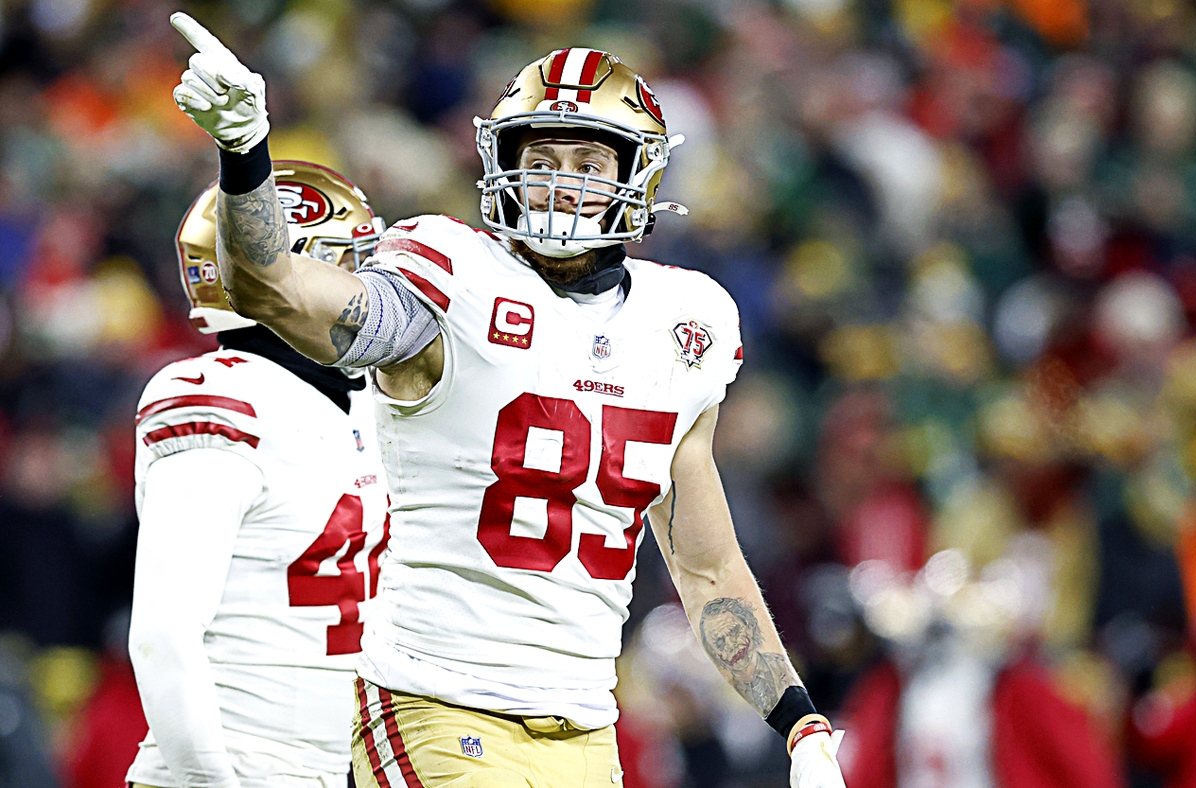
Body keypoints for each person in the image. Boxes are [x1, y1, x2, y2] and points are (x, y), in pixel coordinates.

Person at [168, 11, 847, 788]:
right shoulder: (448, 284)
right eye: (543, 158)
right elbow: (276, 288)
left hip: (588, 724)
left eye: (588, 162)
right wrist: (245, 150)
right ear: (503, 164)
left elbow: (705, 564)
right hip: (434, 702)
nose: (561, 182)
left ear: (638, 177)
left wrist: (799, 723)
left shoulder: (683, 323)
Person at [126, 161, 391, 788]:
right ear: (273, 272)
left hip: (340, 766)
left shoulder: (366, 404)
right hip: (238, 764)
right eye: (344, 262)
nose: (363, 288)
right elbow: (164, 634)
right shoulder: (220, 399)